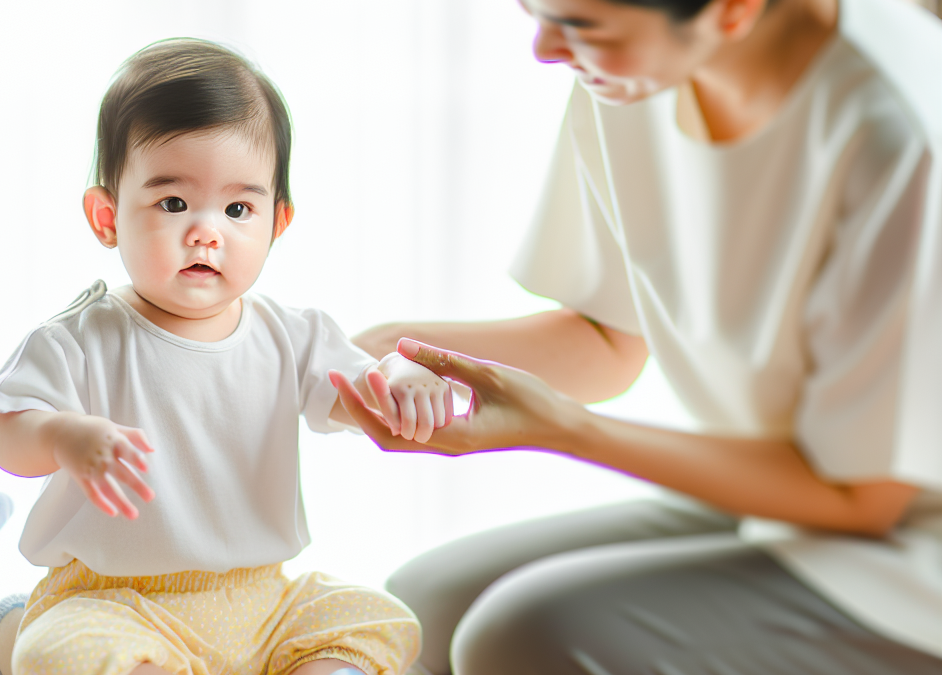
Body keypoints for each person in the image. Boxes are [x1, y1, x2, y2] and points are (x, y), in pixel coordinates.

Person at [340, 0, 942, 673]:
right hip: (791, 482)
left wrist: (565, 429)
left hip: (911, 540)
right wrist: (375, 346)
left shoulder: (901, 135)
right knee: (421, 603)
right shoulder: (634, 74)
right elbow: (606, 341)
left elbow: (861, 496)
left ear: (734, 9)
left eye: (580, 25)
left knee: (521, 634)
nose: (545, 48)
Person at [0, 38, 453, 675]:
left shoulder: (292, 336)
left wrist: (401, 376)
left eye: (237, 207)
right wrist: (63, 435)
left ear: (276, 223)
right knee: (56, 649)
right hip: (116, 601)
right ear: (107, 215)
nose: (207, 230)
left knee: (376, 619)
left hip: (261, 599)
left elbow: (361, 387)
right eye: (173, 203)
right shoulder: (80, 338)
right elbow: (6, 426)